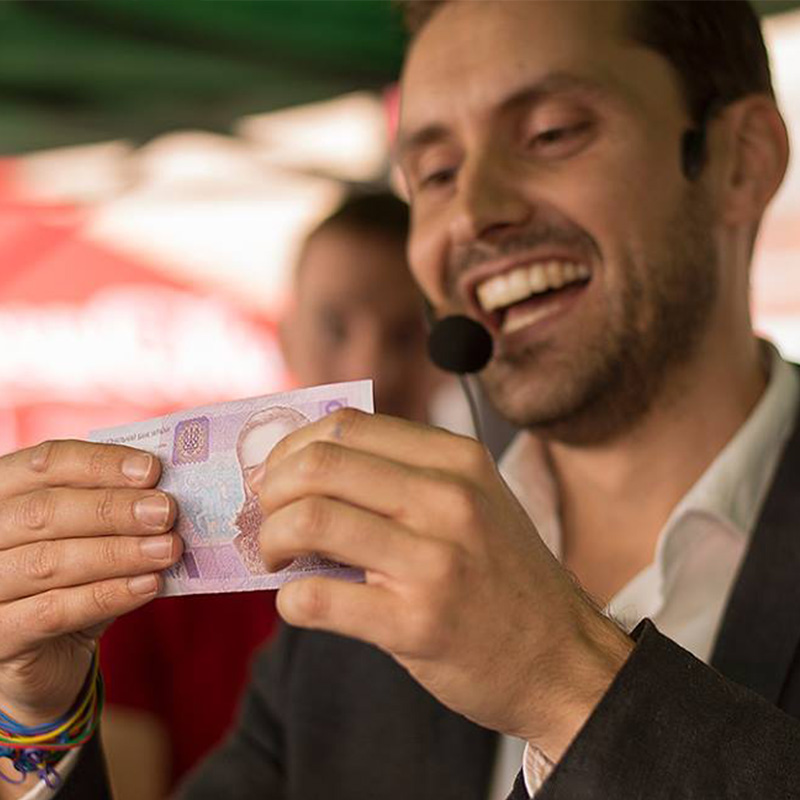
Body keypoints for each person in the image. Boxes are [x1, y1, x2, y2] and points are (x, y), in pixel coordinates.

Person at [1, 1, 799, 798]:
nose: (474, 213)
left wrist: (568, 680)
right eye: (436, 175)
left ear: (741, 160)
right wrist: (36, 722)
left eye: (552, 134)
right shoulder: (349, 595)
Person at [94, 191, 442, 800]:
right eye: (335, 326)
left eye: (406, 334)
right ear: (285, 338)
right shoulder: (159, 553)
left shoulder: (481, 554)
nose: (370, 367)